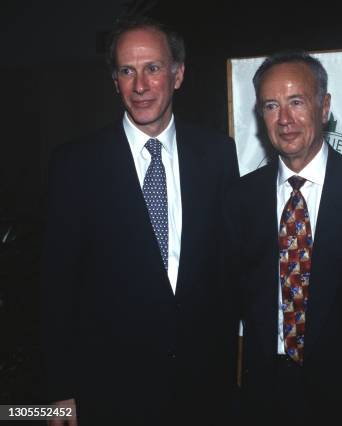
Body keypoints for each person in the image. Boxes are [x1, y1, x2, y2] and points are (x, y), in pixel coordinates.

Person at [40, 15, 239, 425]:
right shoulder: (75, 165)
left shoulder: (218, 155)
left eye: (153, 68)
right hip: (112, 392)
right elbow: (56, 288)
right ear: (115, 81)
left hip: (203, 390)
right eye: (127, 71)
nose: (141, 85)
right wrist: (60, 391)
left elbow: (227, 270)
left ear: (178, 74)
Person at [225, 51, 342, 425]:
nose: (284, 120)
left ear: (324, 106)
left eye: (296, 102)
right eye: (271, 105)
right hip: (264, 401)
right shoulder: (239, 201)